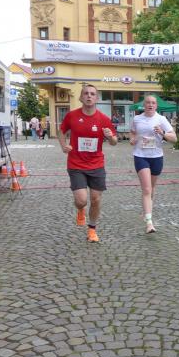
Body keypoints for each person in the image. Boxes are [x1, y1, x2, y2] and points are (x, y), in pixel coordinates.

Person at [58, 84, 117, 242]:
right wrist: (63, 146)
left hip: (96, 164)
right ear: (80, 97)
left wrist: (110, 137)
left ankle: (92, 229)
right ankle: (80, 209)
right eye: (86, 93)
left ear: (96, 98)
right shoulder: (72, 116)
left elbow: (114, 142)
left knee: (96, 199)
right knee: (81, 200)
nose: (89, 96)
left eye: (92, 94)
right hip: (76, 164)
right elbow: (61, 131)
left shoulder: (103, 119)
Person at [130, 95, 176, 233]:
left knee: (152, 188)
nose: (150, 105)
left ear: (156, 106)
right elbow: (132, 133)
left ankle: (146, 211)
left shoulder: (161, 119)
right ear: (144, 105)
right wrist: (133, 139)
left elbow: (174, 138)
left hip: (156, 157)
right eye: (148, 103)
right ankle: (149, 223)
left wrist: (162, 133)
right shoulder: (137, 119)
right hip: (141, 156)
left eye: (153, 103)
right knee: (146, 189)